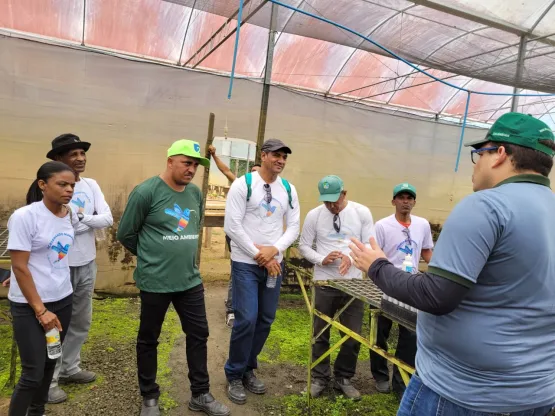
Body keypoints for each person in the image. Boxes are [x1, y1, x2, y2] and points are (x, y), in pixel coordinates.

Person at [349, 113, 555, 415]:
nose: (476, 165)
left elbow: (435, 295)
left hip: (462, 392)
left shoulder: (486, 205)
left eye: (478, 154)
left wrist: (377, 265)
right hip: (535, 392)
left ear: (499, 154)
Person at [117, 139, 230, 416]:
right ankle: (149, 397)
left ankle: (201, 394)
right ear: (170, 161)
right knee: (149, 338)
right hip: (155, 281)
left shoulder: (194, 193)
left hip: (189, 281)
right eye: (186, 163)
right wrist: (150, 256)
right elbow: (126, 234)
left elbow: (193, 227)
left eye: (195, 165)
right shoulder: (146, 192)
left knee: (198, 334)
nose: (191, 169)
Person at [224, 138, 300, 405]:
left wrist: (274, 250)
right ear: (264, 156)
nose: (281, 160)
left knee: (266, 318)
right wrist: (261, 255)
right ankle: (233, 373)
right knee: (246, 318)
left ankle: (248, 368)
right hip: (246, 263)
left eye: (284, 157)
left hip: (273, 263)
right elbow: (232, 226)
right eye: (276, 155)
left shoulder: (288, 189)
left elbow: (293, 227)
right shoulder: (243, 184)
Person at [45, 133, 113, 404]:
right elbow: (53, 225)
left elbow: (106, 218)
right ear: (59, 159)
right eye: (73, 154)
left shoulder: (91, 185)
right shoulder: (46, 185)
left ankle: (70, 368)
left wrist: (79, 217)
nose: (80, 158)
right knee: (54, 325)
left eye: (82, 153)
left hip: (86, 263)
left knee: (81, 320)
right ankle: (48, 380)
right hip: (56, 267)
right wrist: (87, 221)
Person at [7, 161, 78, 416]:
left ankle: (37, 412)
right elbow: (20, 266)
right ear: (42, 184)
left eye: (72, 185)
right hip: (30, 306)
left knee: (50, 363)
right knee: (32, 371)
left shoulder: (69, 214)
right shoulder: (26, 217)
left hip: (63, 299)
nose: (69, 189)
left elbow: (50, 256)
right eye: (62, 184)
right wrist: (41, 310)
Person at [299, 175, 374, 400]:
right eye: (326, 201)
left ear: (344, 193)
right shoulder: (314, 215)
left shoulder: (361, 212)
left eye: (335, 200)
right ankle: (320, 377)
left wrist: (352, 258)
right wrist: (322, 259)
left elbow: (369, 243)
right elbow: (303, 246)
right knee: (320, 332)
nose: (332, 206)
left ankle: (344, 377)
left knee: (352, 334)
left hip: (353, 283)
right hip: (324, 282)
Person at [370, 182, 433, 398]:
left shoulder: (422, 225)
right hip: (385, 285)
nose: (405, 201)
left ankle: (401, 381)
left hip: (411, 286)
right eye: (401, 197)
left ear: (414, 201)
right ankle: (380, 375)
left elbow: (426, 251)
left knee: (409, 334)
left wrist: (438, 270)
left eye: (409, 198)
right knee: (379, 332)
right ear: (394, 201)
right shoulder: (382, 226)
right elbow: (375, 254)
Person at [208, 144, 261, 329]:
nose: (254, 175)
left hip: (256, 240)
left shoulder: (268, 193)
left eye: (258, 172)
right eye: (252, 171)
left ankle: (248, 307)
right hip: (238, 237)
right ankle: (231, 309)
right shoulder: (240, 184)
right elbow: (225, 170)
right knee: (237, 269)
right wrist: (214, 155)